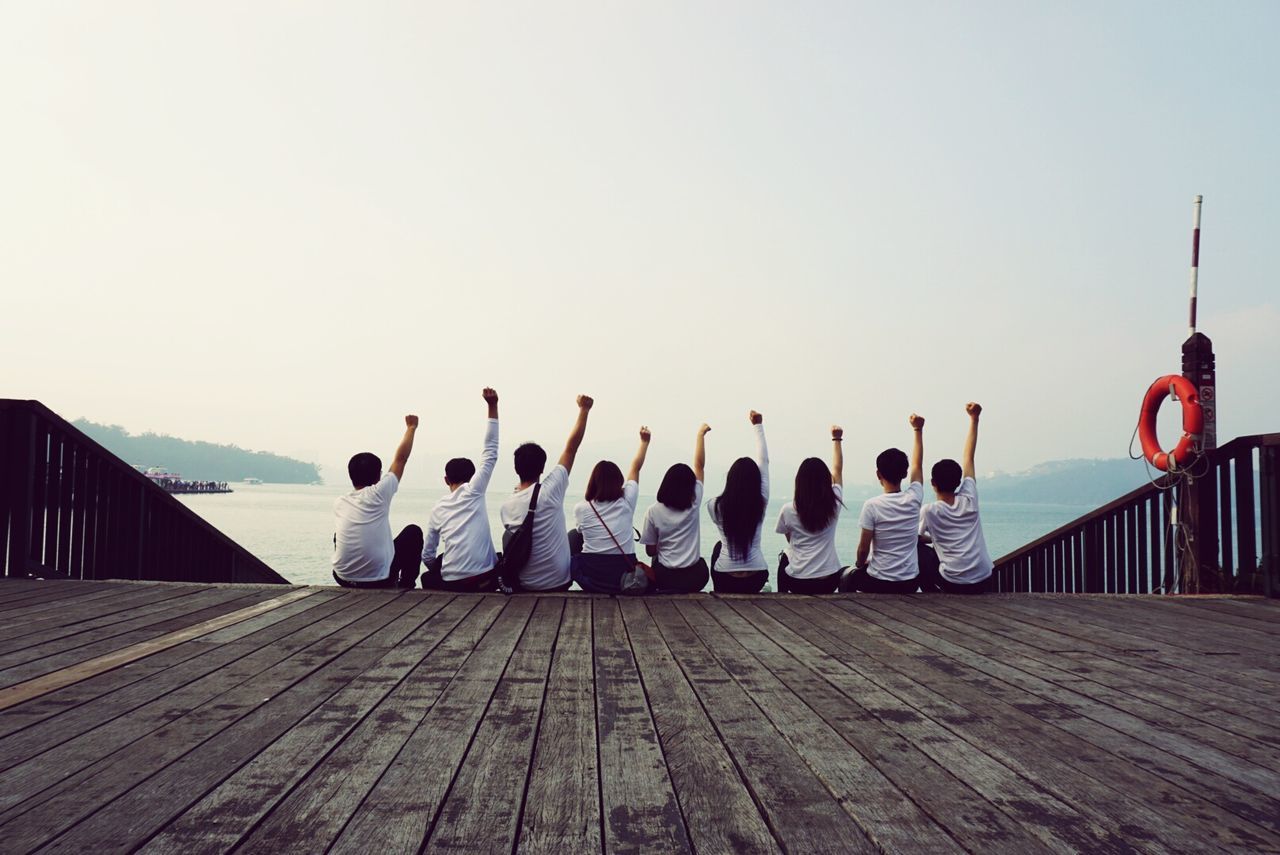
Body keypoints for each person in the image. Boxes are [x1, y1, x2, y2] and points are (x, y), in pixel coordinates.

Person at [498, 395, 594, 592]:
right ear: (542, 469)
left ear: (516, 469)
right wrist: (584, 410)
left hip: (525, 584)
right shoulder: (551, 490)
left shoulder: (506, 506)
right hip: (559, 582)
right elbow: (571, 448)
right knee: (575, 536)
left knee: (508, 536)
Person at [421, 388, 501, 592]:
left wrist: (440, 568)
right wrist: (492, 406)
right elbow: (490, 451)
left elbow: (427, 555)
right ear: (473, 477)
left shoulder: (438, 509)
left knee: (428, 576)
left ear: (446, 479)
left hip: (453, 583)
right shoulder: (475, 491)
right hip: (486, 580)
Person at [332, 415, 422, 589]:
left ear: (351, 476)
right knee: (413, 533)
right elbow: (400, 459)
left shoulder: (340, 502)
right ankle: (406, 585)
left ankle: (353, 573)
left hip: (342, 578)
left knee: (339, 535)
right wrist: (411, 428)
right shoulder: (379, 493)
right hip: (379, 580)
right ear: (378, 476)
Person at [841, 414, 926, 593]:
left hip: (879, 582)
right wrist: (917, 430)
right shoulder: (914, 498)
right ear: (904, 474)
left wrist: (859, 563)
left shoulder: (872, 505)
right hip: (910, 582)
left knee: (848, 577)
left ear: (878, 474)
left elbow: (863, 549)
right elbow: (918, 465)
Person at [918, 403, 992, 594]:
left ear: (932, 482)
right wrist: (974, 419)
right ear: (959, 482)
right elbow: (969, 458)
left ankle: (930, 594)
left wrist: (935, 538)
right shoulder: (970, 499)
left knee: (919, 551)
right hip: (984, 579)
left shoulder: (929, 510)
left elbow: (915, 537)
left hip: (952, 582)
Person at [571, 427, 651, 594]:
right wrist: (644, 442)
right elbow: (635, 469)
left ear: (593, 482)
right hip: (623, 578)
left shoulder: (581, 508)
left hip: (591, 578)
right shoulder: (626, 502)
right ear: (618, 482)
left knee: (574, 535)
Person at [640, 424, 711, 594]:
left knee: (656, 560)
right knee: (701, 563)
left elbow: (650, 551)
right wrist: (700, 434)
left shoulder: (653, 511)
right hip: (695, 578)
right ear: (691, 488)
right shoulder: (694, 503)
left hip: (665, 578)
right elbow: (699, 466)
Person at [775, 426, 846, 594]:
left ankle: (781, 597)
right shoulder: (834, 503)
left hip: (798, 582)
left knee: (785, 556)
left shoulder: (788, 509)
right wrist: (837, 440)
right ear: (825, 480)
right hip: (829, 580)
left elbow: (790, 540)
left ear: (799, 481)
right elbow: (838, 470)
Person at [706, 410, 770, 593]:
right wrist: (758, 426)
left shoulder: (714, 506)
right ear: (756, 481)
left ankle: (718, 592)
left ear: (730, 480)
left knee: (719, 546)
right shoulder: (761, 501)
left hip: (725, 579)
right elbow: (764, 462)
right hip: (756, 578)